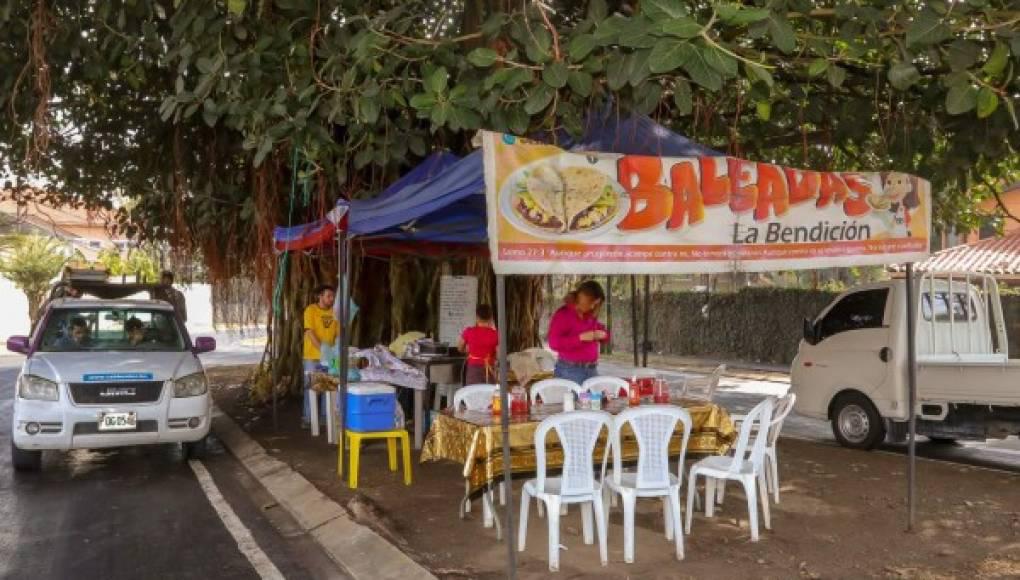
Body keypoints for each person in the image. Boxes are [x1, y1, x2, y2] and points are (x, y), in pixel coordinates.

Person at [547, 280, 610, 384]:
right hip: (570, 371)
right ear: (583, 298)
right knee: (573, 400)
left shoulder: (589, 315)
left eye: (596, 304)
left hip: (591, 370)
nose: (593, 307)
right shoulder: (563, 315)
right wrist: (580, 338)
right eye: (592, 303)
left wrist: (604, 335)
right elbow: (554, 343)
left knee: (595, 400)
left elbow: (603, 331)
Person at [303, 284, 338, 428]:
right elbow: (310, 333)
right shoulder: (311, 310)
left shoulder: (335, 312)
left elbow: (338, 336)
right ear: (320, 296)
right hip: (312, 356)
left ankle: (326, 418)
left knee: (329, 387)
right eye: (328, 296)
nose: (331, 299)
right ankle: (308, 418)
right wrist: (324, 351)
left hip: (330, 357)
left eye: (333, 296)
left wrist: (334, 352)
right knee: (311, 387)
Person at [459, 304, 498, 385]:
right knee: (489, 394)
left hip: (473, 369)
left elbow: (460, 348)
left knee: (472, 393)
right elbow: (499, 355)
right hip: (489, 369)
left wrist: (468, 351)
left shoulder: (468, 331)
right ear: (491, 318)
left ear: (477, 317)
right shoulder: (496, 334)